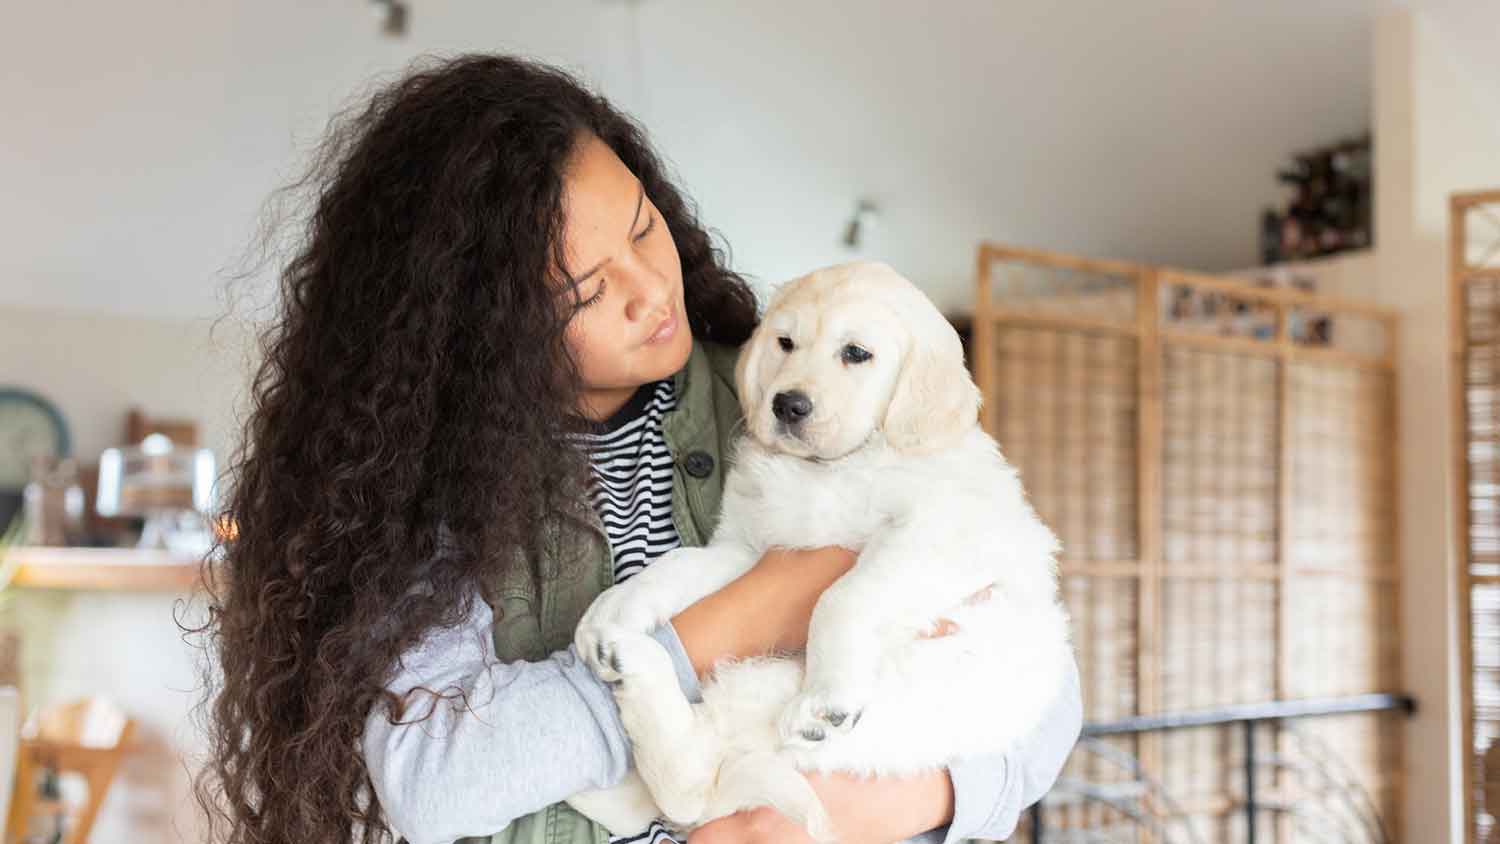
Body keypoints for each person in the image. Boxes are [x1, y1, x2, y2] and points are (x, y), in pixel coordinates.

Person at [197, 54, 1082, 844]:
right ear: (483, 333)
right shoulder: (426, 488)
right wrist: (737, 618)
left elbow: (1040, 682)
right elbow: (436, 783)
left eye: (641, 225)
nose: (652, 290)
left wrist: (891, 806)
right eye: (586, 289)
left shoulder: (794, 397)